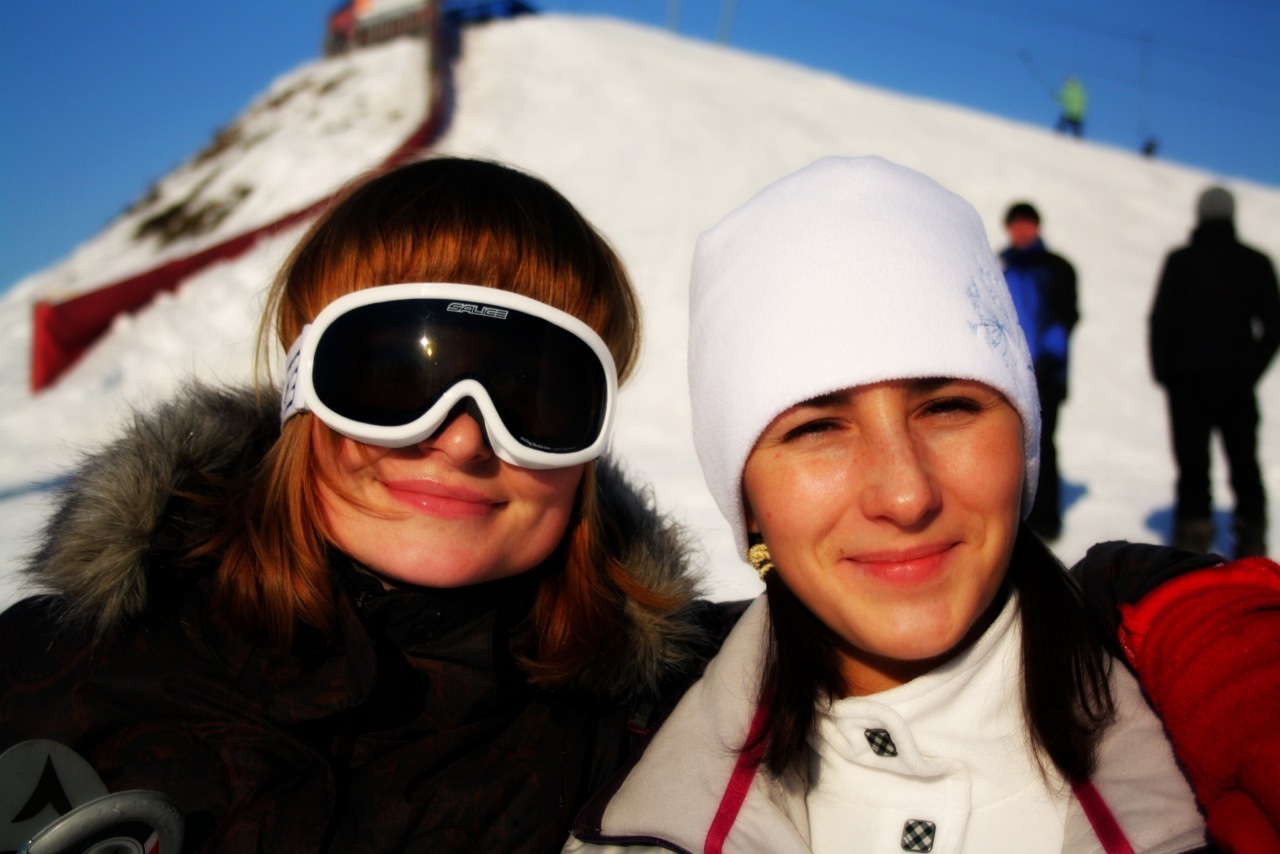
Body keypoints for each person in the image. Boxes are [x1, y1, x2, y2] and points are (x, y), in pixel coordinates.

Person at [0, 157, 721, 853]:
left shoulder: (681, 735)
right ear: (301, 390)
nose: (463, 440)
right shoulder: (47, 675)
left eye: (534, 397)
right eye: (393, 377)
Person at [566, 157, 1210, 852]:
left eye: (949, 406)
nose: (906, 495)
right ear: (747, 502)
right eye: (817, 428)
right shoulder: (632, 792)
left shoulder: (1212, 726)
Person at [1149, 185, 1280, 558]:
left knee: (1192, 464)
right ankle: (1251, 539)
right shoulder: (1254, 262)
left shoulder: (1181, 260)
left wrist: (1166, 372)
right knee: (1244, 460)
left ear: (1201, 214)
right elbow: (1274, 325)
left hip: (1187, 383)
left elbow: (1161, 320)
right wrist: (1251, 368)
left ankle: (1193, 544)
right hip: (1236, 382)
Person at [1001, 201, 1079, 540]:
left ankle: (1045, 520)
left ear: (1037, 226)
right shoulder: (1001, 267)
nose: (1021, 230)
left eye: (1027, 223)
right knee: (1007, 444)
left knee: (1041, 444)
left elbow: (1064, 315)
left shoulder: (1056, 267)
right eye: (1015, 224)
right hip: (1008, 372)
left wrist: (1050, 357)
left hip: (1046, 372)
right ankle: (1013, 519)